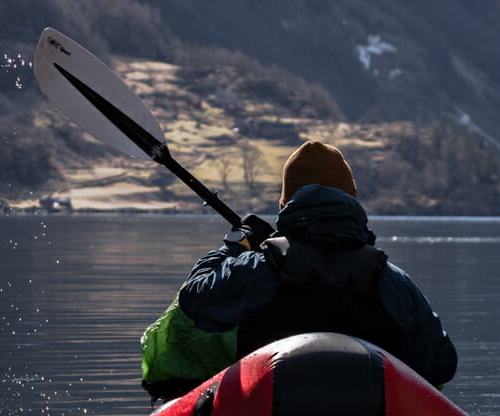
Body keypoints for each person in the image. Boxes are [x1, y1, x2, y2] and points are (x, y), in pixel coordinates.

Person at [138, 140, 457, 398]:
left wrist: (234, 247)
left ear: (285, 206)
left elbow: (194, 300)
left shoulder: (259, 268)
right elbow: (441, 364)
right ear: (351, 202)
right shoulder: (391, 280)